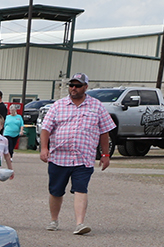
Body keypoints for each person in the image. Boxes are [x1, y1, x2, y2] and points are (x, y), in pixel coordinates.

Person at [38, 72, 114, 234]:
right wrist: (44, 148)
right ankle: (54, 220)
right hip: (59, 157)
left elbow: (105, 132)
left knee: (81, 188)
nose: (74, 88)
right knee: (56, 190)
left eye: (78, 85)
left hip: (83, 157)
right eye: (71, 85)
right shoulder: (58, 106)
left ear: (85, 87)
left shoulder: (97, 106)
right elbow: (46, 128)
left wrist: (105, 155)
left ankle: (80, 224)